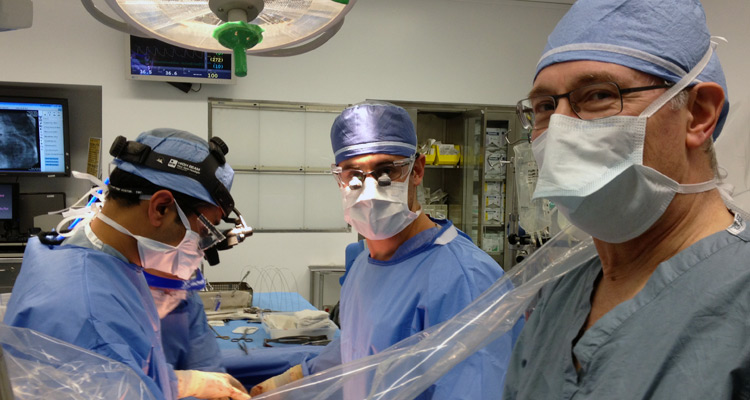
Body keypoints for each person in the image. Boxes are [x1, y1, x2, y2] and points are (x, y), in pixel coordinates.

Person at [503, 0, 750, 398]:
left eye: (599, 95)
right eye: (545, 107)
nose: (562, 129)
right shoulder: (563, 293)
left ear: (699, 114)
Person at [252, 102, 524, 399]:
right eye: (352, 174)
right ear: (338, 178)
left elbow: (477, 386)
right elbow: (358, 354)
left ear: (416, 170)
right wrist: (293, 381)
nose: (369, 188)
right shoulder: (363, 264)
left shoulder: (466, 280)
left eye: (385, 172)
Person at [4, 128, 250, 400]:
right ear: (161, 208)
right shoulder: (92, 317)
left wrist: (182, 382)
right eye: (204, 231)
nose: (200, 251)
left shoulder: (84, 260)